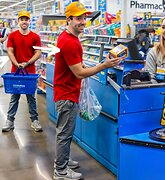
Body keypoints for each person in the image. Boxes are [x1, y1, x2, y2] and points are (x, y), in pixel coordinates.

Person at [53, 2, 122, 180]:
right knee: (65, 132)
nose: (83, 21)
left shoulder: (70, 38)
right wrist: (104, 65)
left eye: (84, 18)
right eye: (79, 18)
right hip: (67, 94)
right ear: (68, 20)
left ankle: (64, 160)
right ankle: (60, 171)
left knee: (65, 131)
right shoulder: (69, 42)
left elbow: (75, 66)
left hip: (67, 91)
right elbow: (79, 72)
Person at [2, 10, 43, 133]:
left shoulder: (35, 37)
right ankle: (9, 121)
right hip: (16, 72)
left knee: (31, 97)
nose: (24, 21)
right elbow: (10, 51)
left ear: (29, 21)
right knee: (14, 96)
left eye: (26, 19)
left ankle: (34, 120)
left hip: (30, 72)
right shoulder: (13, 36)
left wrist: (28, 62)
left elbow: (38, 52)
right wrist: (16, 63)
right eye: (22, 19)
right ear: (18, 21)